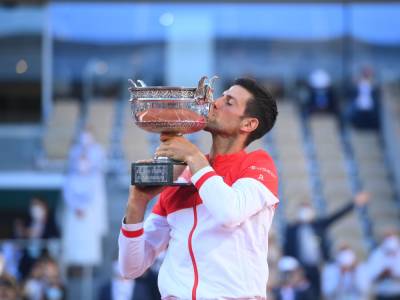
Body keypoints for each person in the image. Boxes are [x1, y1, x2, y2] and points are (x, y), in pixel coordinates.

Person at [118, 78, 279, 299]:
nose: (216, 102)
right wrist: (137, 202)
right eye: (222, 95)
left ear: (248, 124)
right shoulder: (183, 174)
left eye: (229, 102)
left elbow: (229, 212)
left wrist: (193, 157)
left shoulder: (257, 164)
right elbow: (131, 267)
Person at [283, 191, 369, 296]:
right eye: (302, 208)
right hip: (300, 269)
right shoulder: (292, 229)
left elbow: (336, 216)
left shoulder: (318, 225)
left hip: (319, 267)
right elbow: (287, 249)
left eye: (307, 207)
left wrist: (354, 204)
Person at [62, 128, 108, 269]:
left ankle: (89, 266)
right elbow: (68, 194)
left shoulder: (95, 179)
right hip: (75, 214)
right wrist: (77, 207)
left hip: (88, 213)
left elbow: (92, 196)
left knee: (88, 240)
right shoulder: (70, 178)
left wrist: (83, 207)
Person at [367, 230, 400, 300]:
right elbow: (370, 276)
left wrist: (394, 274)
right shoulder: (376, 254)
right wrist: (382, 274)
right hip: (382, 294)